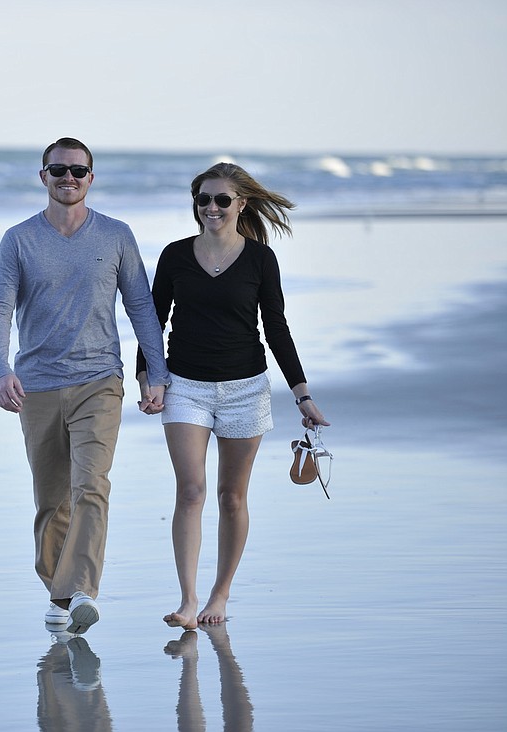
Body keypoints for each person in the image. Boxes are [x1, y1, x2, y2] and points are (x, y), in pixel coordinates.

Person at [0, 137, 170, 635]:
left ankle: (82, 590)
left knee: (92, 485)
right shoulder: (18, 239)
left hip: (99, 381)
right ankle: (59, 594)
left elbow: (142, 306)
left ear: (92, 177)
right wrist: (0, 371)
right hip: (37, 385)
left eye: (78, 171)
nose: (69, 179)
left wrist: (158, 371)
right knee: (52, 501)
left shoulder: (116, 236)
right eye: (59, 170)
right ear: (42, 176)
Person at [136, 162, 329, 629]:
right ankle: (187, 600)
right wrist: (148, 377)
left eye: (223, 199)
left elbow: (276, 328)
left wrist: (302, 395)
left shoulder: (261, 259)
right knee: (191, 490)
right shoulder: (176, 255)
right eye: (204, 199)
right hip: (186, 387)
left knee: (231, 497)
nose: (212, 207)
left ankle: (220, 595)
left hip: (246, 389)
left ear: (241, 203)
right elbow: (152, 320)